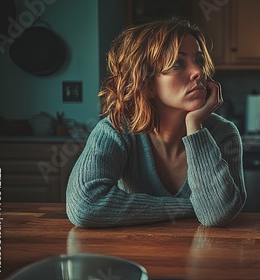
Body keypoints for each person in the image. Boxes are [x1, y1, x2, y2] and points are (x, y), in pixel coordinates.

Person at [66, 19, 247, 228]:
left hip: (206, 256)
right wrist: (190, 207)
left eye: (199, 61)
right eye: (178, 63)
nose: (198, 71)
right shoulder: (116, 131)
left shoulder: (222, 133)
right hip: (137, 254)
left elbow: (217, 214)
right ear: (148, 84)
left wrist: (194, 125)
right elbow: (85, 205)